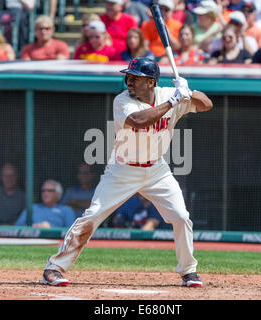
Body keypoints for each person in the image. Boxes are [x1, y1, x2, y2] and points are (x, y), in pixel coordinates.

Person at [41, 57, 213, 288]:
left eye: (135, 78)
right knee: (92, 216)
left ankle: (188, 271)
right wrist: (174, 101)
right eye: (128, 76)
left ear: (151, 82)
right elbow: (139, 120)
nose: (129, 81)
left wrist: (189, 92)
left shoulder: (169, 95)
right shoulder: (123, 101)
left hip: (156, 169)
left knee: (181, 217)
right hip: (122, 169)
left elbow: (206, 104)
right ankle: (54, 267)